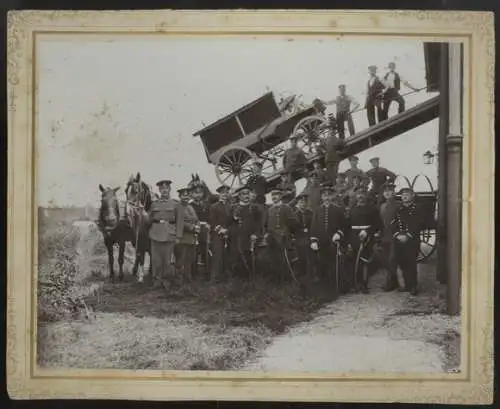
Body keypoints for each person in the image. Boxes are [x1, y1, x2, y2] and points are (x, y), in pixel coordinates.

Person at [310, 182, 350, 295]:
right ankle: (325, 289)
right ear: (321, 197)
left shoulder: (338, 209)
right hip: (321, 242)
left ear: (332, 196)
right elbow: (313, 226)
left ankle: (339, 287)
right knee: (322, 263)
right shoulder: (317, 210)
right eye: (324, 195)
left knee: (336, 263)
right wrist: (313, 240)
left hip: (334, 241)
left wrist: (339, 233)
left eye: (328, 195)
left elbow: (344, 225)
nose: (326, 198)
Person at [148, 179, 184, 291]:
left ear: (169, 190)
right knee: (156, 260)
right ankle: (157, 282)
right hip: (155, 234)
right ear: (159, 190)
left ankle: (167, 282)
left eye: (166, 189)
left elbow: (180, 221)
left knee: (168, 261)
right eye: (162, 189)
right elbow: (149, 220)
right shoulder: (154, 204)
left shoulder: (176, 204)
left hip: (170, 235)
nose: (164, 191)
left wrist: (178, 236)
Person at [348, 190, 383, 293]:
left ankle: (364, 284)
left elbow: (378, 225)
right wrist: (350, 239)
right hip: (354, 237)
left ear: (366, 196)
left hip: (366, 237)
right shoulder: (352, 209)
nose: (360, 196)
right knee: (354, 260)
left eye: (362, 194)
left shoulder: (372, 209)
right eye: (358, 194)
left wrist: (367, 231)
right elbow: (348, 225)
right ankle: (355, 283)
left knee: (364, 261)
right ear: (356, 196)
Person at [392, 187, 424, 295]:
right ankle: (406, 285)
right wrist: (397, 234)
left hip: (412, 239)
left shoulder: (418, 209)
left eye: (407, 194)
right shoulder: (398, 209)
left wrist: (408, 235)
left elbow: (419, 224)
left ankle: (413, 286)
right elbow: (393, 224)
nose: (404, 196)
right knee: (401, 262)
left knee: (411, 262)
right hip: (399, 239)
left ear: (412, 196)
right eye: (402, 195)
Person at [263, 188, 298, 283]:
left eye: (276, 195)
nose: (274, 197)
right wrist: (266, 234)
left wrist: (287, 231)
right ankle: (276, 280)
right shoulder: (269, 210)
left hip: (284, 237)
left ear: (280, 196)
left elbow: (293, 222)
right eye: (272, 195)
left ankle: (287, 279)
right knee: (274, 259)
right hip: (272, 238)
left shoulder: (286, 207)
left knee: (285, 259)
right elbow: (265, 224)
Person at [228, 185, 262, 279]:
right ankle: (237, 280)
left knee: (249, 257)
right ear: (239, 196)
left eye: (248, 194)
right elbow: (228, 223)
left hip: (250, 237)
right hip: (237, 237)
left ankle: (251, 278)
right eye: (244, 194)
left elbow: (259, 223)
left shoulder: (255, 208)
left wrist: (256, 234)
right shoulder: (234, 208)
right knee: (237, 257)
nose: (246, 196)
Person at [174, 187, 199, 284]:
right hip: (182, 237)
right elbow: (180, 222)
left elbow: (196, 219)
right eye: (184, 195)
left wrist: (198, 226)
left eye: (187, 195)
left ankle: (187, 279)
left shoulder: (190, 207)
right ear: (180, 196)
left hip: (191, 238)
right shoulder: (178, 207)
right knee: (180, 260)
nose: (186, 197)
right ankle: (179, 281)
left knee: (189, 259)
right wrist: (192, 227)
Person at [208, 184, 233, 282]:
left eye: (226, 192)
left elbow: (232, 221)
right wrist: (220, 229)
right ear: (219, 194)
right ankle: (214, 278)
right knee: (217, 255)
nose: (225, 194)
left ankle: (226, 277)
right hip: (217, 234)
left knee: (227, 255)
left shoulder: (231, 206)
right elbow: (212, 220)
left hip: (228, 233)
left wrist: (227, 230)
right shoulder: (214, 206)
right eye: (222, 193)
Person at [379, 182, 400, 291]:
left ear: (394, 192)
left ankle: (389, 283)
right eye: (385, 191)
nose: (387, 193)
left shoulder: (398, 205)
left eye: (389, 191)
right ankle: (394, 281)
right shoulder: (382, 206)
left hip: (394, 236)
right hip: (384, 236)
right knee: (386, 260)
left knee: (392, 260)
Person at [190, 185, 210, 279]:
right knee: (194, 252)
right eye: (196, 193)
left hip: (205, 230)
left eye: (200, 193)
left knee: (205, 250)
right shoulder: (190, 206)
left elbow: (209, 217)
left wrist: (208, 225)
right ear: (192, 194)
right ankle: (193, 274)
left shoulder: (206, 205)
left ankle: (206, 273)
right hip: (194, 230)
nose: (198, 195)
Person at [292, 193, 313, 278]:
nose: (302, 204)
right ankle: (302, 276)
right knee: (301, 259)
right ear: (297, 203)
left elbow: (313, 225)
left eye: (304, 202)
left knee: (311, 259)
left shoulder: (310, 213)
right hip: (299, 240)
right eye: (300, 202)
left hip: (309, 239)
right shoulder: (294, 215)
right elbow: (292, 228)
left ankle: (311, 275)